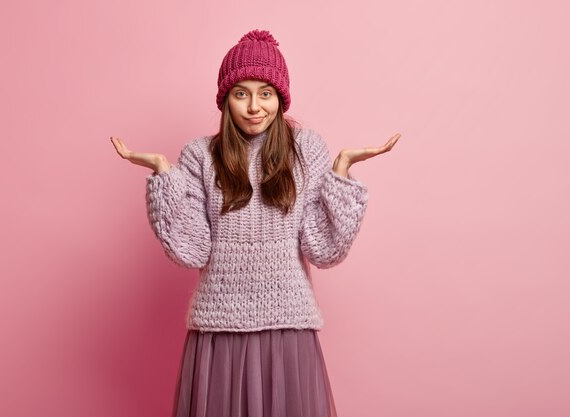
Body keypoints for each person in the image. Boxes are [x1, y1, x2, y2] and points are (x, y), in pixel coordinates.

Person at [111, 29, 400, 417]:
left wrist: (342, 173)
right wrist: (165, 176)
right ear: (225, 99)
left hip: (287, 328)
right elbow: (192, 249)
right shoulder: (200, 155)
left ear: (280, 99)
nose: (253, 106)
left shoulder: (306, 150)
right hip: (218, 331)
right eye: (240, 93)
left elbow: (323, 248)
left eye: (265, 93)